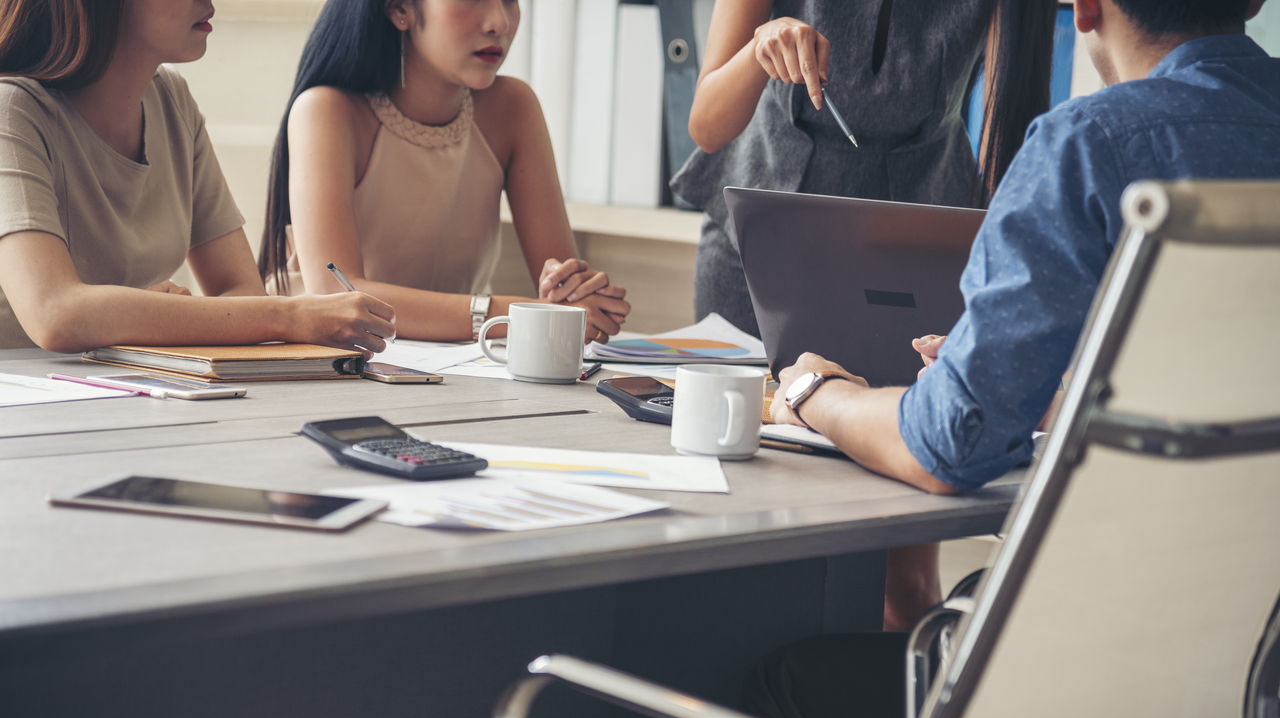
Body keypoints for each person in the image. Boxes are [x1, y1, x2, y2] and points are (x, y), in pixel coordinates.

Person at [752, 0, 1280, 718]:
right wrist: (1072, 389)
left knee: (780, 683)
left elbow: (945, 448)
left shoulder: (1090, 146)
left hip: (1095, 702)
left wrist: (816, 394)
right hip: (1254, 702)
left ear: (1086, 7)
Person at [0, 0, 395, 354]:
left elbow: (242, 290)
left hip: (124, 391)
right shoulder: (11, 110)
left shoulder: (171, 99)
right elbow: (55, 313)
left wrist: (153, 314)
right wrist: (290, 315)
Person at [672, 0, 1057, 339]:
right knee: (730, 413)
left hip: (915, 256)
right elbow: (707, 127)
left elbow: (1008, 142)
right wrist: (759, 48)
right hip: (760, 242)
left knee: (886, 416)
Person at [259, 0, 630, 344]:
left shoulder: (513, 107)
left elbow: (565, 297)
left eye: (511, 0)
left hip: (448, 364)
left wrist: (572, 293)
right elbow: (338, 296)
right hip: (316, 361)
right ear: (400, 8)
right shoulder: (327, 110)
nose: (500, 21)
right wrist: (515, 315)